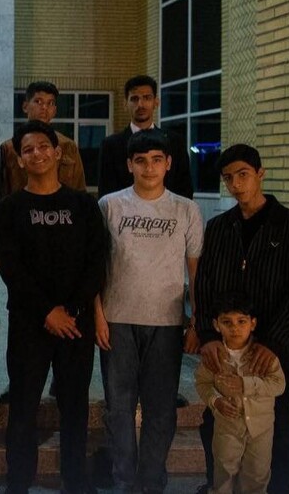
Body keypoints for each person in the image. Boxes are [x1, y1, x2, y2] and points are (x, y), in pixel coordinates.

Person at [0, 120, 107, 494]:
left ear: (58, 153)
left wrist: (70, 310)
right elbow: (11, 267)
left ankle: (75, 482)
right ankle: (18, 484)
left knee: (74, 410)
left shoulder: (83, 205)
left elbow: (96, 261)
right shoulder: (9, 208)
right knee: (22, 410)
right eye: (28, 150)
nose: (36, 154)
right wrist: (47, 311)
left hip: (75, 324)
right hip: (29, 325)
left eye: (43, 146)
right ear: (19, 160)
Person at [192, 144, 289, 494]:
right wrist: (208, 335)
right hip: (227, 344)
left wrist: (273, 343)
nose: (236, 184)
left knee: (277, 419)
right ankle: (218, 485)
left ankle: (276, 488)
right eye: (228, 178)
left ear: (260, 174)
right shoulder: (219, 228)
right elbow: (205, 284)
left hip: (271, 347)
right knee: (218, 416)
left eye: (243, 174)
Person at [94, 130, 203, 494]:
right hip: (117, 319)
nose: (149, 168)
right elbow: (95, 267)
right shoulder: (110, 205)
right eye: (140, 161)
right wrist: (97, 314)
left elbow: (195, 271)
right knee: (119, 408)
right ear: (130, 165)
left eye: (157, 160)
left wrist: (196, 321)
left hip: (167, 322)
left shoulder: (186, 209)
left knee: (161, 409)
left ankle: (152, 482)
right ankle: (124, 481)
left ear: (168, 163)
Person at [195, 293, 286, 494]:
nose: (235, 328)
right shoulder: (214, 356)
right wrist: (215, 401)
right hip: (227, 429)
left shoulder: (263, 356)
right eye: (227, 322)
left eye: (241, 321)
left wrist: (246, 384)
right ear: (216, 325)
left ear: (253, 324)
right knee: (224, 475)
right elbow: (202, 383)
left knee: (256, 477)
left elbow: (279, 384)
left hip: (260, 429)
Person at [97, 75, 194, 199]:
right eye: (134, 99)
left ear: (156, 102)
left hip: (169, 210)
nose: (140, 104)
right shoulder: (110, 145)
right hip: (125, 210)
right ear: (125, 104)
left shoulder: (175, 142)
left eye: (147, 98)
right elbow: (106, 192)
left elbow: (185, 189)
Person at [0, 81, 86, 197]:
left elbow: (80, 188)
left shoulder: (68, 146)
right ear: (25, 106)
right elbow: (2, 190)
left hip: (64, 206)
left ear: (55, 110)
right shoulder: (9, 148)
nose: (44, 107)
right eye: (38, 102)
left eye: (50, 103)